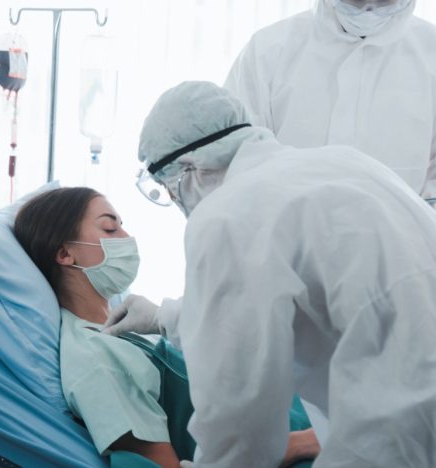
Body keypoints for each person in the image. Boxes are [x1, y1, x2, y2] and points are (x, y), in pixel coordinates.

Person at [103, 81, 436, 466]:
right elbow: (278, 301)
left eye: (170, 190)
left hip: (401, 431)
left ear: (190, 169)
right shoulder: (343, 163)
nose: (178, 202)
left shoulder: (227, 214)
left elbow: (240, 412)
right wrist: (165, 317)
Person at [13, 187, 320, 467]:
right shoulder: (94, 361)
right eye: (110, 227)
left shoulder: (122, 331)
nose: (127, 237)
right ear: (65, 253)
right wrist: (300, 443)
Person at [224, 0, 436, 198]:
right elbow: (237, 167)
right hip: (283, 235)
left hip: (403, 237)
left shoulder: (430, 53)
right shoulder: (268, 51)